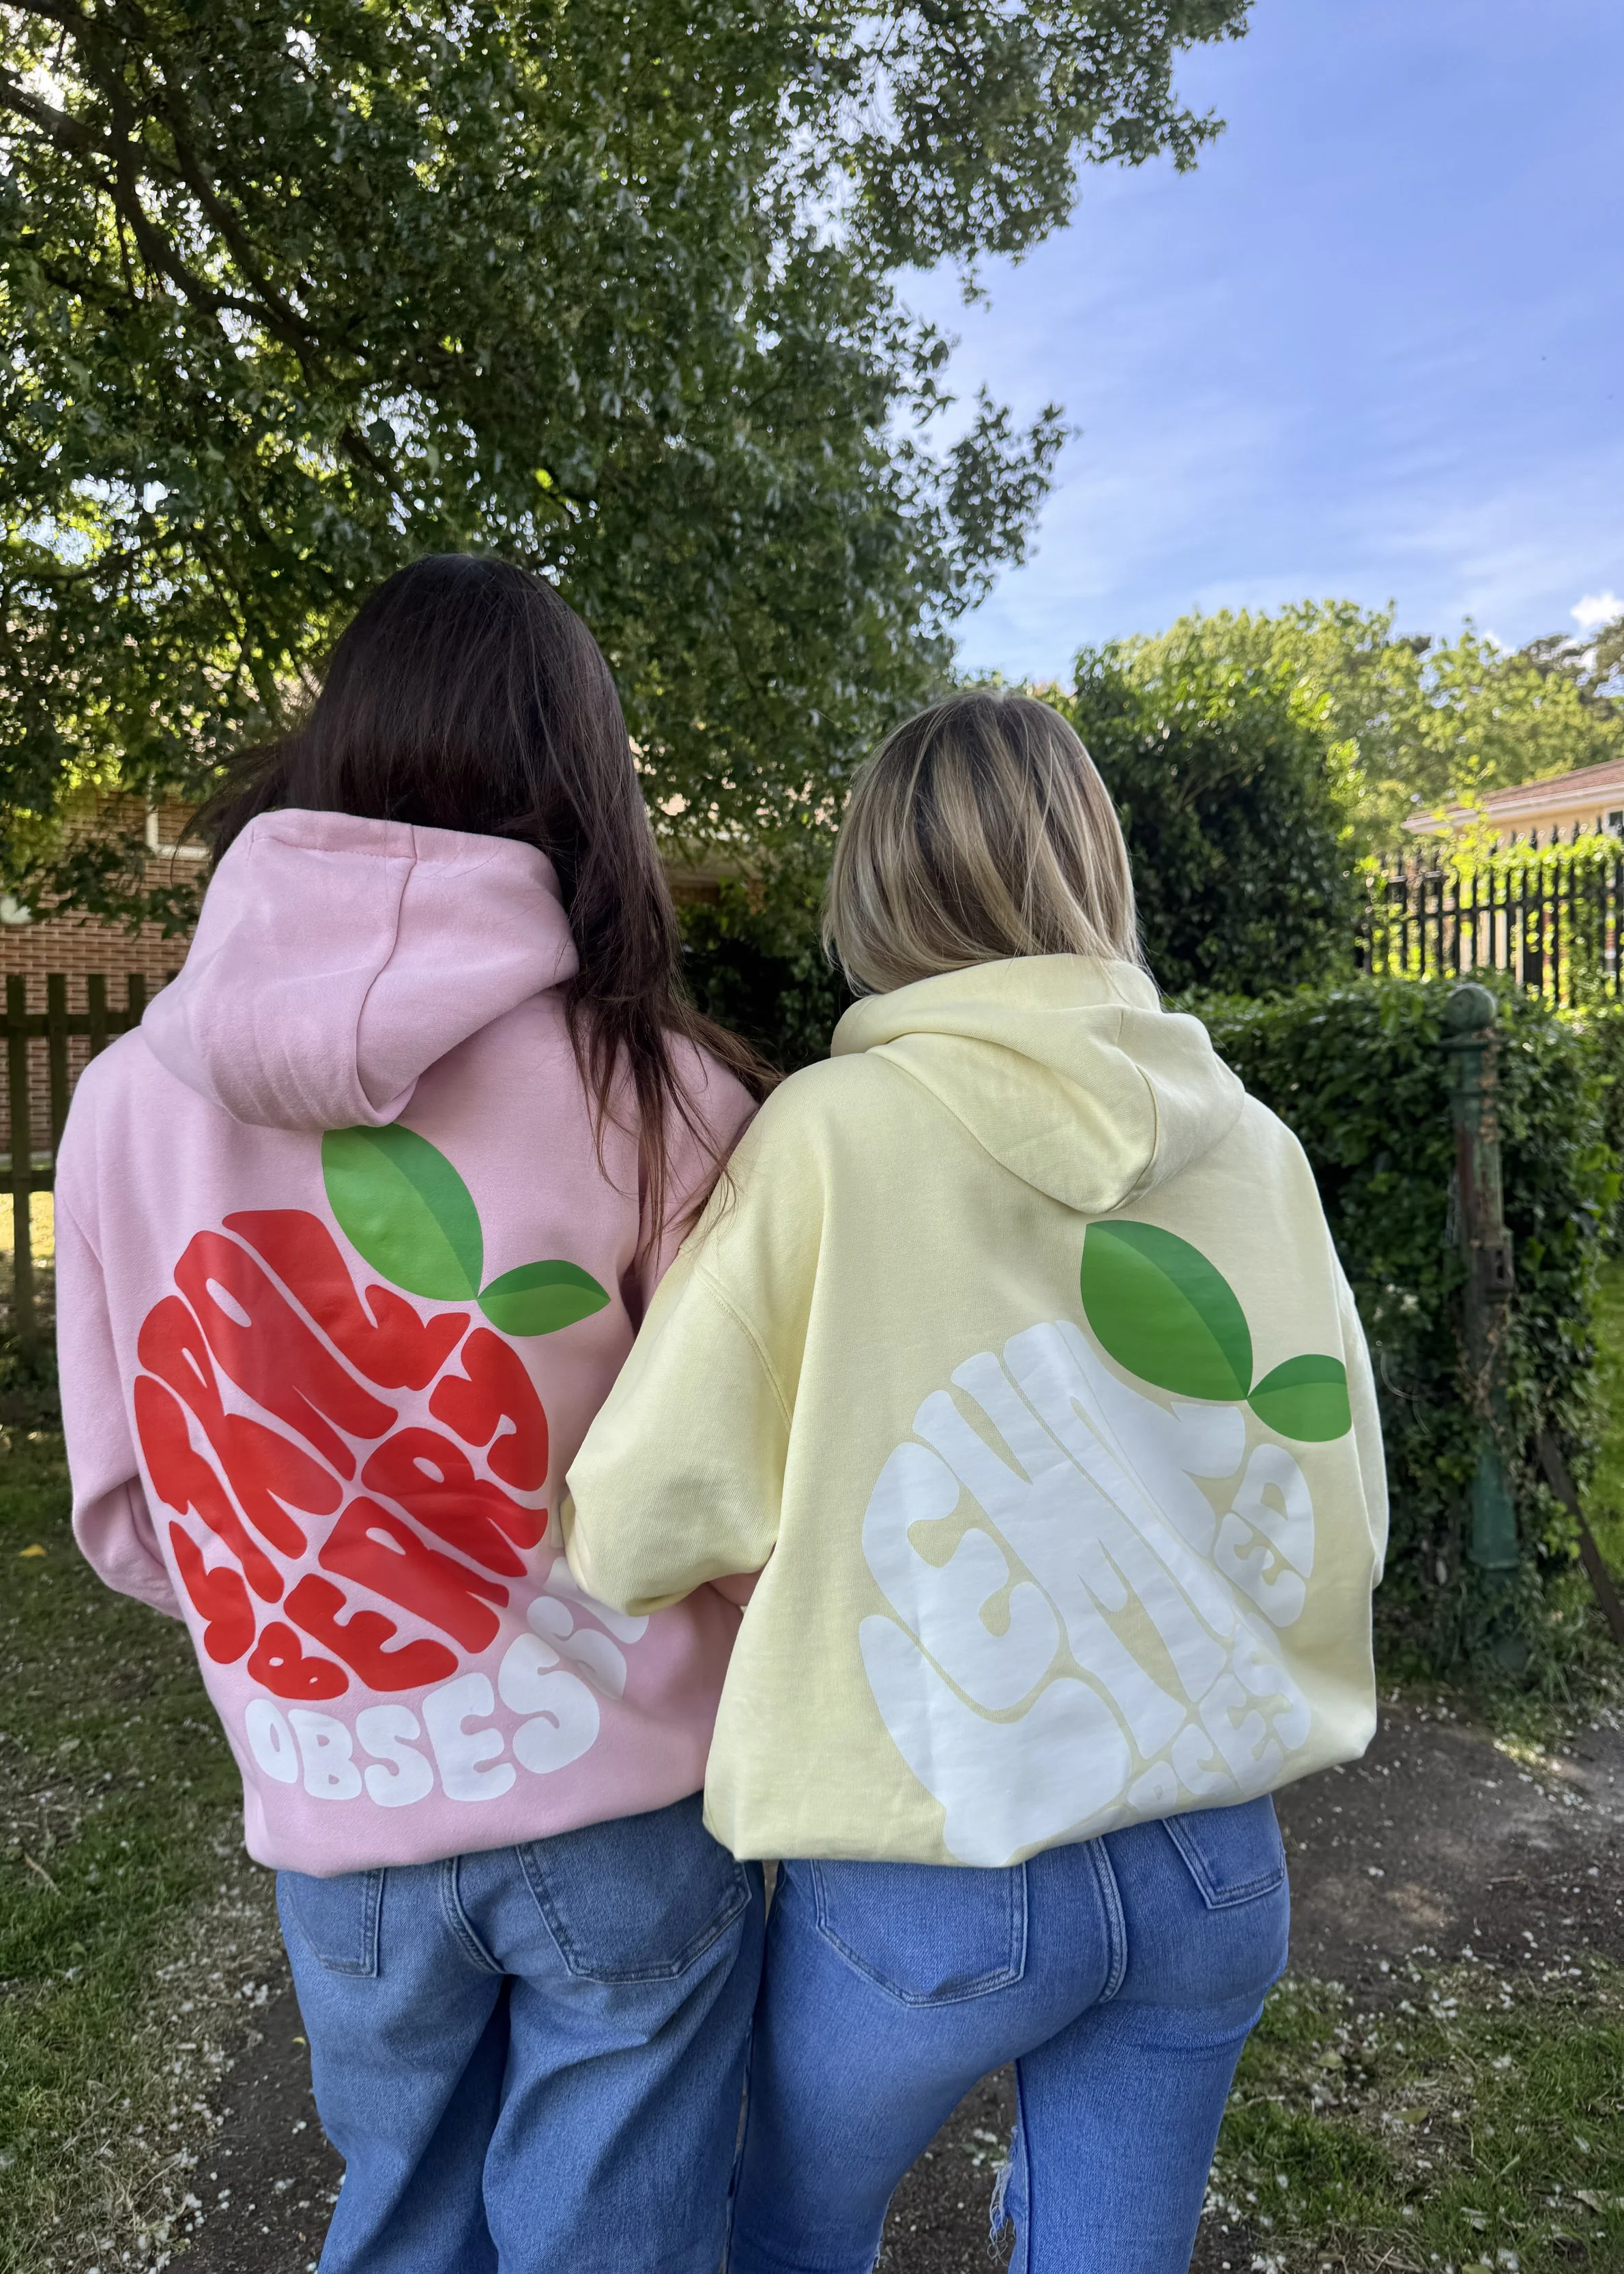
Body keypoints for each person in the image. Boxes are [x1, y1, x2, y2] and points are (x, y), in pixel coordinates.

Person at [565, 689, 1389, 2274]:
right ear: (1096, 864)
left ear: (874, 887)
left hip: (927, 1864)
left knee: (786, 2233)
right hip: (1215, 1855)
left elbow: (641, 1515)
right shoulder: (1257, 1148)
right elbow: (1339, 1495)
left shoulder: (827, 1136)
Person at [54, 553, 774, 2274]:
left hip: (333, 1818)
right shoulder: (662, 1093)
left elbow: (132, 1507)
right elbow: (745, 1506)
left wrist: (341, 1664)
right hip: (626, 1809)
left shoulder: (117, 1106)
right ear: (583, 781)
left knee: (396, 2224)